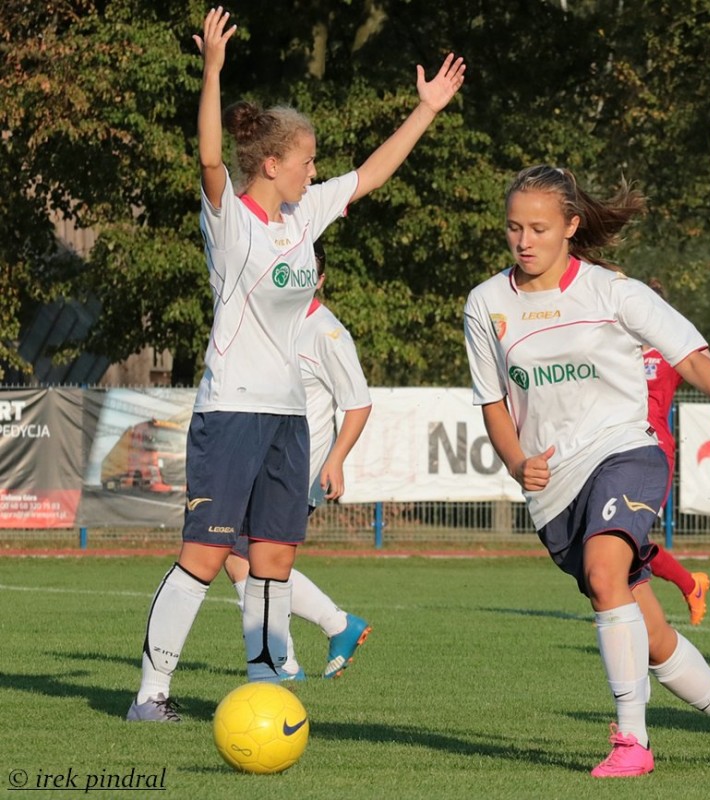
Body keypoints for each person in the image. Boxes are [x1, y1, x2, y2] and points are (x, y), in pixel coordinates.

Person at [127, 6, 464, 722]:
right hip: (230, 411)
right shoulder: (230, 219)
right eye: (306, 159)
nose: (316, 169)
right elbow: (211, 159)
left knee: (274, 559)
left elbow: (370, 175)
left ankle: (264, 681)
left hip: (286, 418)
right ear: (272, 164)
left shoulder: (302, 214)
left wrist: (427, 110)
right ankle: (150, 695)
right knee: (206, 556)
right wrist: (212, 71)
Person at [463, 165, 710, 777]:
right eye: (513, 228)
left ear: (571, 226)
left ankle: (632, 742)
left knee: (604, 570)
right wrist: (516, 462)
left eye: (539, 228)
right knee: (654, 637)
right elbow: (492, 401)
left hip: (626, 452)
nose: (524, 241)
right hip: (555, 489)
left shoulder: (613, 291)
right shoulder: (486, 304)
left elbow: (690, 356)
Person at [223, 240, 373, 682]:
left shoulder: (327, 332)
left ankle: (285, 658)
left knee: (247, 554)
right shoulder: (267, 321)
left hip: (295, 467)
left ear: (319, 280)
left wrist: (336, 460)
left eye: (306, 274)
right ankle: (333, 629)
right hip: (260, 460)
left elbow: (358, 403)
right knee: (242, 555)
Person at [642, 278, 710, 626]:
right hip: (612, 448)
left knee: (628, 537)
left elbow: (706, 363)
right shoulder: (615, 350)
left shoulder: (667, 355)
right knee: (621, 538)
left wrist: (674, 324)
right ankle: (689, 584)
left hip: (653, 453)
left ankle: (623, 606)